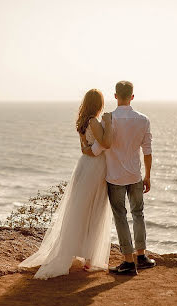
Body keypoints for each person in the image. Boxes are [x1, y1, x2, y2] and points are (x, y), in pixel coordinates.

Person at [18, 89, 113, 279]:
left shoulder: (83, 122)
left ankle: (78, 252)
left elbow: (84, 149)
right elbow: (104, 144)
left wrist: (90, 150)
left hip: (84, 166)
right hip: (96, 168)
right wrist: (109, 123)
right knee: (94, 209)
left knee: (80, 209)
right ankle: (89, 258)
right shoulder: (94, 122)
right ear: (99, 104)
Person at [82, 80, 155, 275]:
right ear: (132, 96)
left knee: (120, 216)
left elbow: (99, 148)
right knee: (138, 213)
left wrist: (86, 149)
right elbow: (147, 151)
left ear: (115, 96)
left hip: (114, 177)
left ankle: (128, 261)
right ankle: (142, 256)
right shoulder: (143, 119)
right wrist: (148, 176)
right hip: (135, 175)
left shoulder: (109, 119)